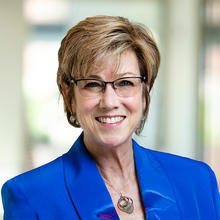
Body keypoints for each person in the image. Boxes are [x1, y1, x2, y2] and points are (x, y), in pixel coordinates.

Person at [1, 15, 220, 220]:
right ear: (69, 96)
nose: (109, 102)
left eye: (125, 83)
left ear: (145, 92)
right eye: (93, 85)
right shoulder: (30, 196)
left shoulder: (198, 181)